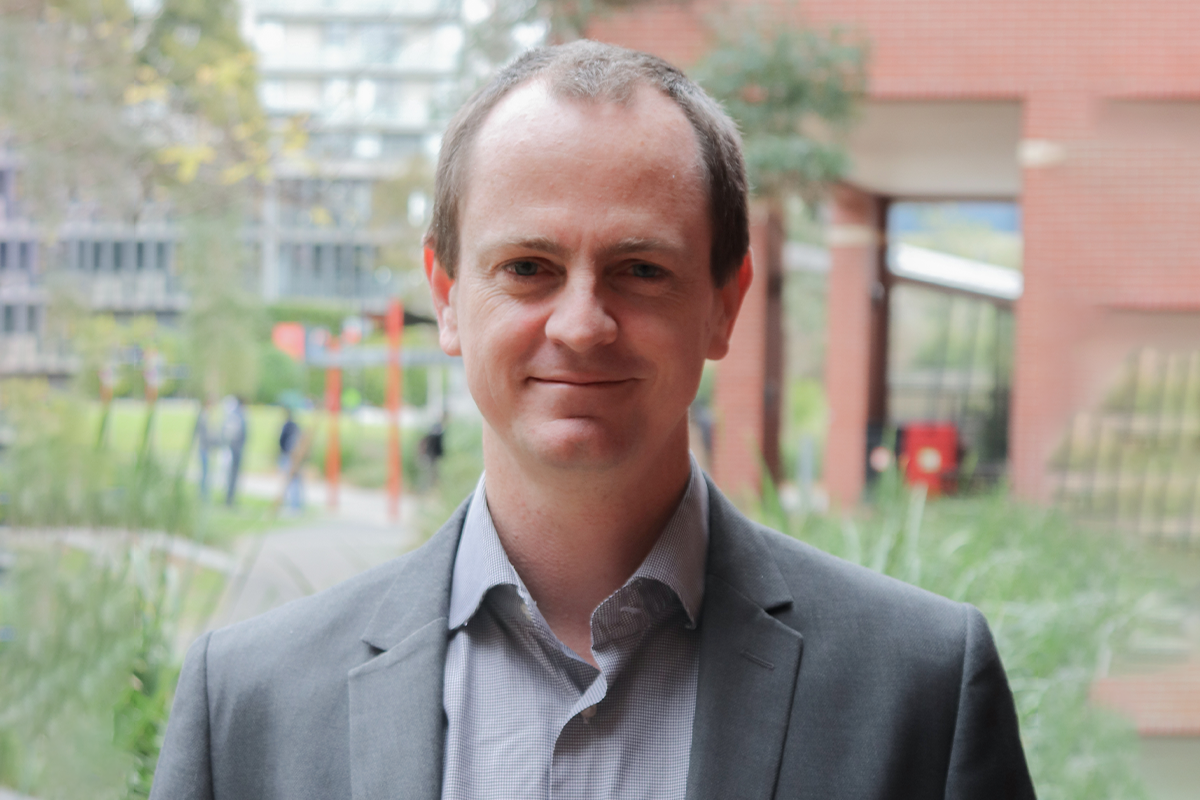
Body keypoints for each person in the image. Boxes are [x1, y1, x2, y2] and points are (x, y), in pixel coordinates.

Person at [151, 41, 1034, 799]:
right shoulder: (249, 706)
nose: (581, 324)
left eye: (641, 270)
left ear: (726, 305)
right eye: (530, 267)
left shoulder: (920, 687)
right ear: (448, 298)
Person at [221, 395, 246, 507]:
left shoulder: (239, 415)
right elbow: (230, 434)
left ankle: (231, 498)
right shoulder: (236, 416)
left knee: (234, 477)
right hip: (234, 450)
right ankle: (229, 499)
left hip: (237, 450)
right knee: (231, 476)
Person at [278, 407, 304, 511]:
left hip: (290, 457)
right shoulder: (296, 427)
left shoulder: (287, 427)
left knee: (292, 481)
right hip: (295, 457)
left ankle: (294, 505)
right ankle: (295, 504)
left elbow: (282, 442)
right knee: (295, 482)